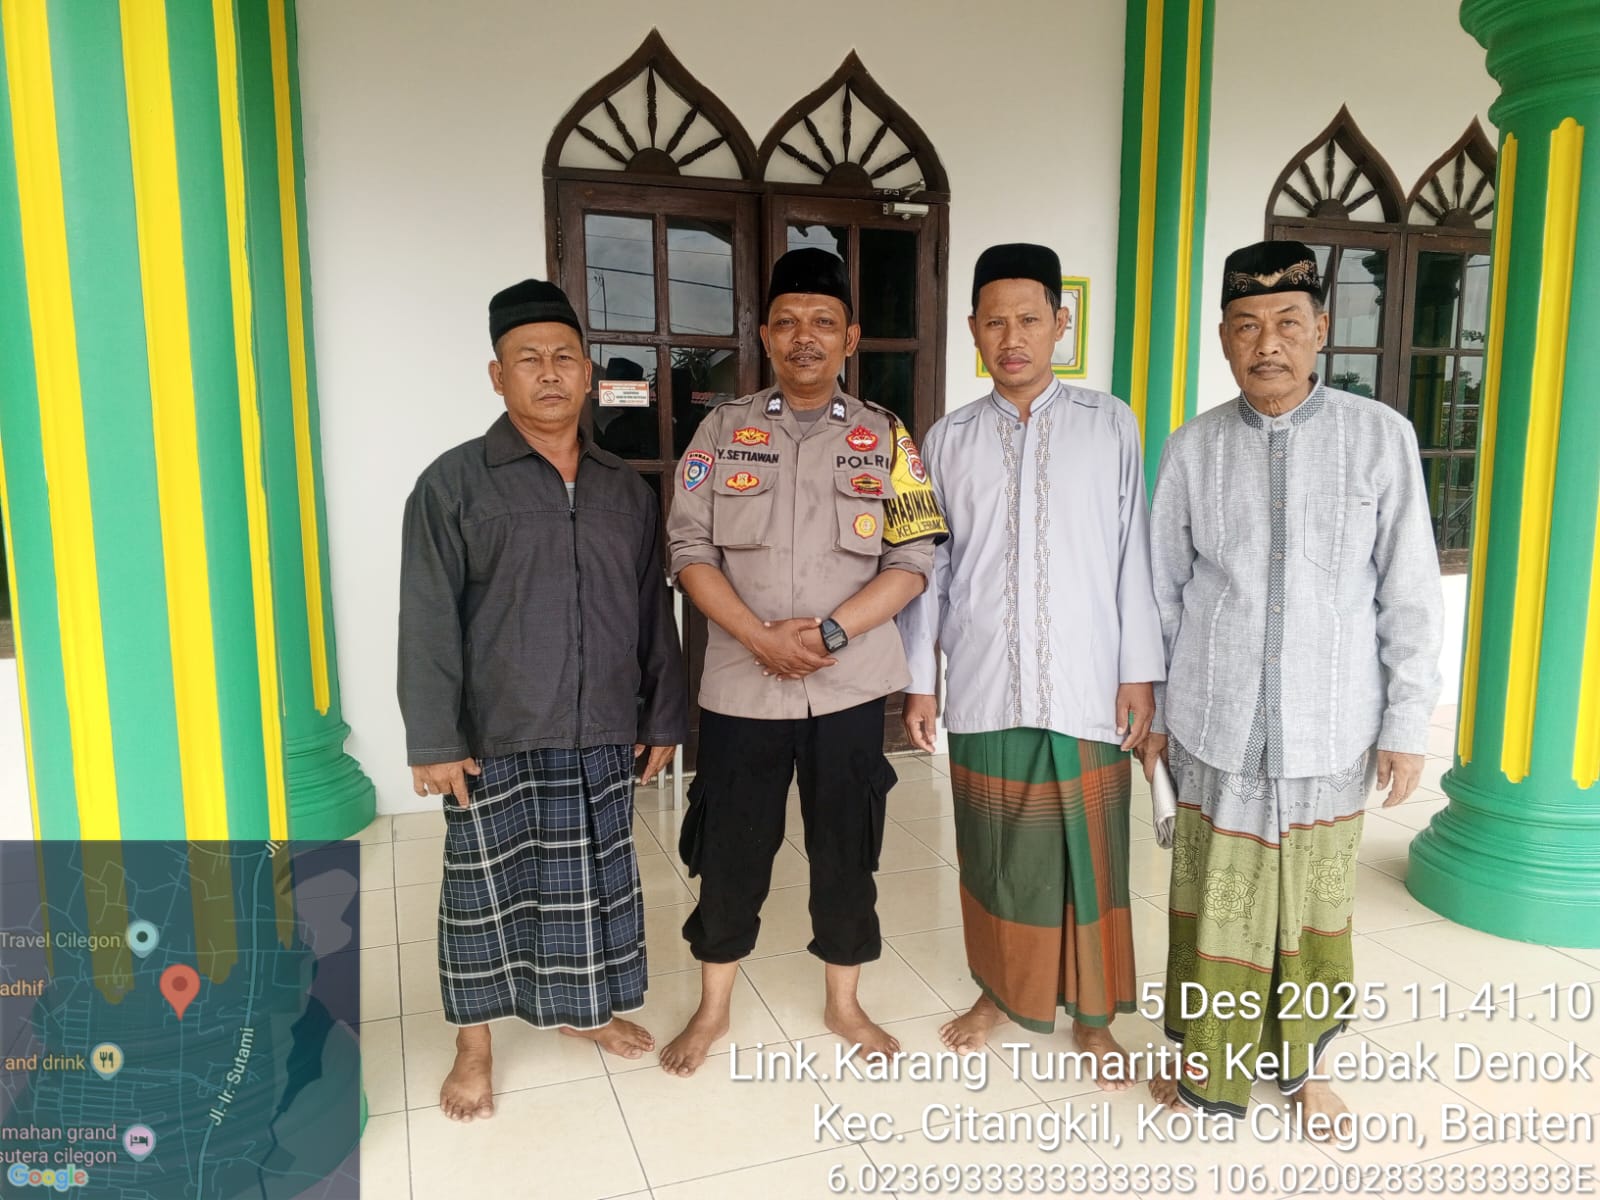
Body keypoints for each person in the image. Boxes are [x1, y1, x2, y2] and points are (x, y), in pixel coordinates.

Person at [1140, 240, 1442, 1123]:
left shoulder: (1379, 438)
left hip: (1329, 723)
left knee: (1309, 915)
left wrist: (1406, 725)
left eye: (1285, 323)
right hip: (1214, 720)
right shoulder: (1193, 449)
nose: (1265, 343)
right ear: (1223, 340)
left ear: (1320, 329)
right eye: (1245, 326)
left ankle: (1304, 1069)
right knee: (1214, 908)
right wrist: (1153, 711)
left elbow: (1410, 592)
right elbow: (1160, 592)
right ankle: (1205, 1062)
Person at [398, 279, 687, 1121]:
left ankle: (581, 1012)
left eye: (565, 357)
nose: (550, 373)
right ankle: (474, 1044)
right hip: (499, 731)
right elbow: (426, 615)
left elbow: (651, 610)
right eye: (529, 359)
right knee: (484, 896)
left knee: (590, 884)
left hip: (601, 727)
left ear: (589, 374)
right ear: (498, 377)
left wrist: (663, 714)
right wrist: (433, 737)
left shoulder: (624, 488)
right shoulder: (454, 484)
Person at [659, 247, 946, 1076]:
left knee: (847, 848)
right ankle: (713, 1006)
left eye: (823, 321)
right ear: (765, 335)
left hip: (847, 686)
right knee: (729, 848)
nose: (804, 336)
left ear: (850, 337)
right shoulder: (721, 430)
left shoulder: (886, 436)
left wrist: (829, 635)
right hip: (741, 687)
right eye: (787, 322)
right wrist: (758, 636)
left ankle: (843, 1001)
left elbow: (914, 558)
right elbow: (687, 548)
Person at [896, 243, 1165, 1082]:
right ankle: (999, 992)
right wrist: (921, 681)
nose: (1011, 338)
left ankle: (1093, 1017)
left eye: (1028, 319)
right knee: (995, 856)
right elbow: (929, 569)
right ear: (973, 331)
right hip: (986, 680)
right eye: (994, 322)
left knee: (1093, 858)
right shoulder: (947, 439)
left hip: (1089, 683)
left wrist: (1139, 672)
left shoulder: (1109, 423)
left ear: (1061, 322)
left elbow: (1134, 555)